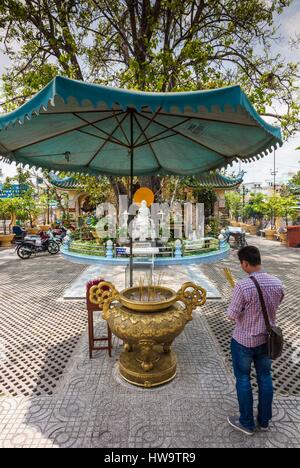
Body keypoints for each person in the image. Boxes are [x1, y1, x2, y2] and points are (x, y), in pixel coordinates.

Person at [227, 245, 284, 436]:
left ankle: (246, 423)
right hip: (266, 341)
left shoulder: (242, 286)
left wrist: (242, 308)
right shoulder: (277, 283)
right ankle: (264, 421)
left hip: (243, 341)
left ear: (245, 263)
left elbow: (232, 315)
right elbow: (276, 304)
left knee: (243, 379)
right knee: (265, 378)